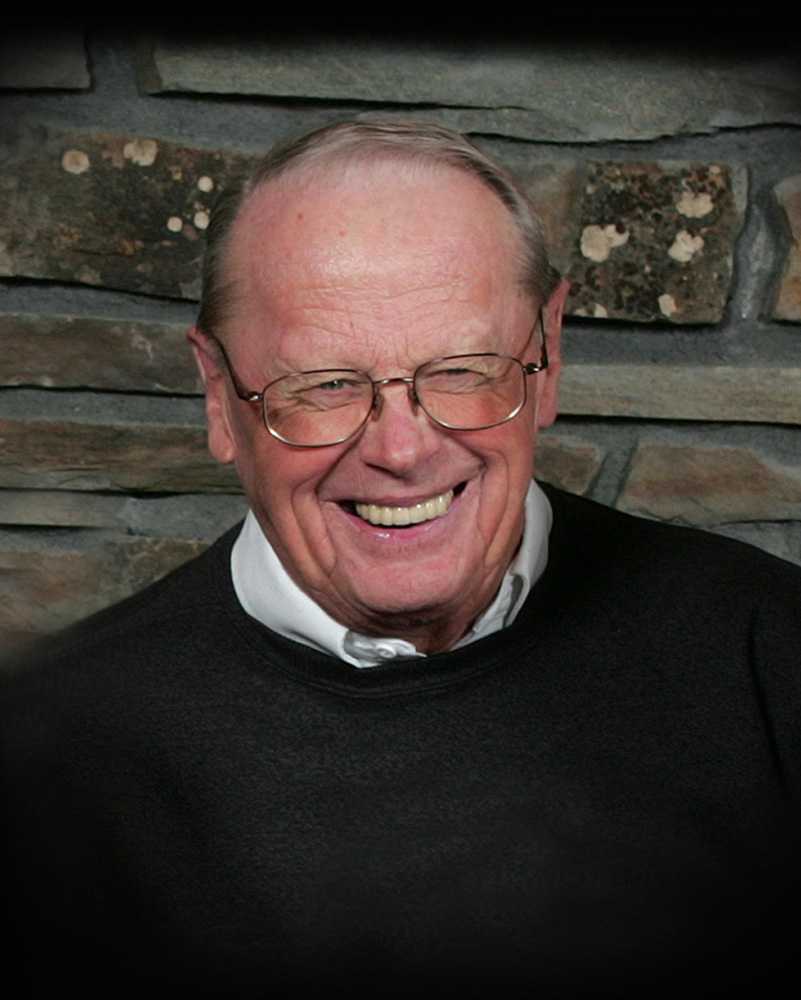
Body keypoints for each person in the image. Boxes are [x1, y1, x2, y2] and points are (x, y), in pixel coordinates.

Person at [2, 120, 800, 998]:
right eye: (326, 385)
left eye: (462, 368)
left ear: (547, 355)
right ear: (220, 397)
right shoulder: (50, 756)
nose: (402, 450)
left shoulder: (770, 651)